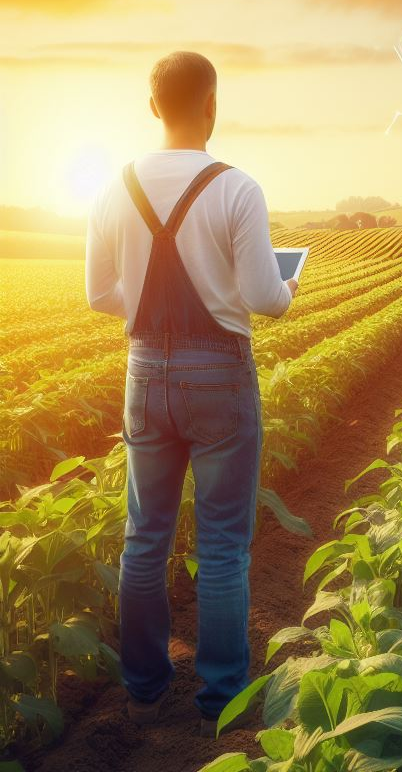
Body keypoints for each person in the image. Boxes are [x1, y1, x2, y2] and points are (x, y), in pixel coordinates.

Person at [86, 51, 297, 737]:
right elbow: (265, 298)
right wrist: (287, 290)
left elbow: (98, 294)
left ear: (153, 107)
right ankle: (221, 700)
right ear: (212, 105)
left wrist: (148, 316)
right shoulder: (238, 187)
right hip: (220, 375)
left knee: (144, 539)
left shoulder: (113, 187)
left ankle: (144, 691)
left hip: (145, 372)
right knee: (224, 544)